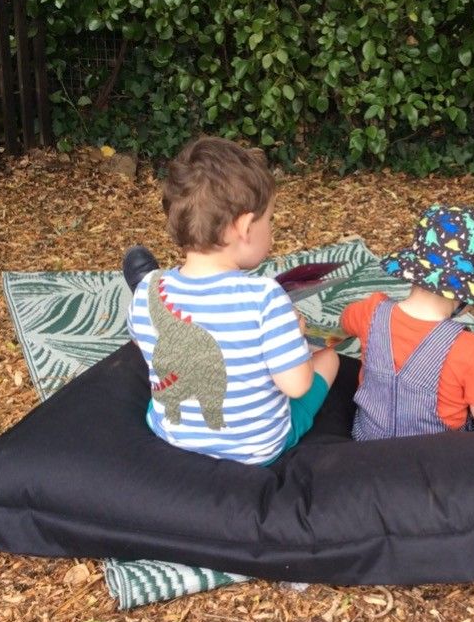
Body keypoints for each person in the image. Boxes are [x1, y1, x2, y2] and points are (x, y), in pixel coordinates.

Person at [122, 136, 339, 465]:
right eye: (269, 221)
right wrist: (294, 337)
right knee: (329, 359)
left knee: (166, 390)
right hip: (256, 450)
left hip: (173, 436)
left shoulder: (148, 291)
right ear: (245, 227)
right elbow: (296, 386)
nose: (271, 230)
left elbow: (144, 346)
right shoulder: (266, 297)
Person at [341, 204, 474, 440]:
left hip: (366, 443)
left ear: (414, 269)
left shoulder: (371, 312)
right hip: (435, 460)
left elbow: (345, 320)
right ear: (468, 293)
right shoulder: (471, 348)